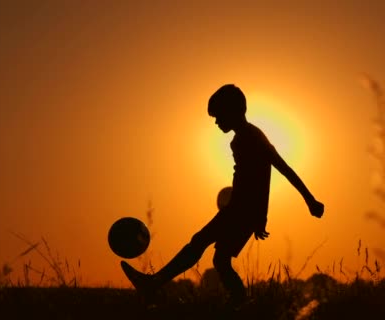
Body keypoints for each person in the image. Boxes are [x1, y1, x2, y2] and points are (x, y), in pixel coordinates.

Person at [121, 84, 325, 306]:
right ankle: (239, 302)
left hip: (241, 210)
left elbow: (276, 170)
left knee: (201, 243)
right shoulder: (245, 138)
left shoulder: (250, 137)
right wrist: (266, 212)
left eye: (218, 116)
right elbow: (267, 173)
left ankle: (154, 283)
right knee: (220, 260)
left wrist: (305, 201)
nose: (216, 122)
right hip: (241, 210)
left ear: (234, 111)